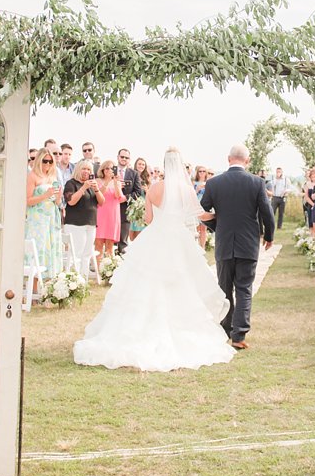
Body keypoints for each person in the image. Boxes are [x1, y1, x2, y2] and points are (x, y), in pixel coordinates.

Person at [74, 148, 235, 371]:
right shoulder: (184, 189)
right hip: (177, 239)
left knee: (146, 283)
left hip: (155, 238)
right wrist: (221, 214)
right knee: (181, 283)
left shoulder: (153, 188)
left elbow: (149, 219)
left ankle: (135, 330)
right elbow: (201, 215)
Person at [198, 144, 275, 349]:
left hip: (224, 242)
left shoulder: (214, 183)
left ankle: (225, 329)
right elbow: (267, 213)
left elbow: (201, 210)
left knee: (225, 288)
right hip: (248, 243)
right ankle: (239, 335)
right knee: (244, 288)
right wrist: (269, 236)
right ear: (247, 161)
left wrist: (217, 226)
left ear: (228, 159)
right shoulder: (257, 182)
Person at [24, 150, 64, 297]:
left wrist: (58, 197)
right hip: (37, 221)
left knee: (50, 252)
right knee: (38, 252)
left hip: (51, 220)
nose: (47, 164)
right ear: (38, 161)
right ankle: (31, 292)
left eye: (50, 161)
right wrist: (44, 195)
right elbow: (27, 201)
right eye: (44, 161)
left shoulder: (52, 177)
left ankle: (47, 291)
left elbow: (57, 203)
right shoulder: (32, 176)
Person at [62, 160, 100, 276]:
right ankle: (73, 279)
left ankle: (83, 280)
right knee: (76, 253)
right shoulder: (71, 183)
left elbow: (101, 202)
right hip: (76, 224)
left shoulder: (91, 185)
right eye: (84, 168)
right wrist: (83, 188)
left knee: (87, 253)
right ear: (78, 169)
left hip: (91, 223)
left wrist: (96, 189)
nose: (86, 171)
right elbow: (71, 201)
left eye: (89, 169)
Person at [93, 161, 125, 268]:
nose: (109, 170)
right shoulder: (97, 181)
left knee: (110, 245)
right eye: (106, 168)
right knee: (98, 243)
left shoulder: (118, 182)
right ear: (102, 169)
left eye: (111, 168)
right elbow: (99, 194)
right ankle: (98, 269)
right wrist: (106, 182)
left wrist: (115, 183)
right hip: (100, 214)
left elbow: (118, 196)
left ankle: (108, 270)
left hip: (113, 215)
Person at [116, 148, 142, 255]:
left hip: (125, 209)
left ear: (129, 160)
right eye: (122, 157)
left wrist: (126, 198)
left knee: (123, 240)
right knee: (108, 239)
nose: (124, 159)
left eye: (126, 158)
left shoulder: (134, 174)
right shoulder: (110, 170)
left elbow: (138, 192)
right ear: (118, 157)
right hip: (110, 208)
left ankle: (121, 263)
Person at [127, 158, 151, 240]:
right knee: (131, 233)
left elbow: (150, 195)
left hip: (142, 206)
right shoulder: (130, 175)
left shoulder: (147, 179)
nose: (141, 166)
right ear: (136, 165)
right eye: (139, 164)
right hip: (132, 205)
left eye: (143, 164)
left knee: (140, 231)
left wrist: (147, 190)